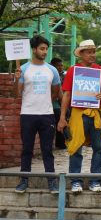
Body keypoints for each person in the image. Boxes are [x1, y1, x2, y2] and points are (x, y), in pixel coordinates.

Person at [57, 40, 101, 193]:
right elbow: (66, 94)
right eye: (89, 52)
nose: (93, 55)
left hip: (96, 114)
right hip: (78, 114)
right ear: (82, 54)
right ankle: (75, 181)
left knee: (99, 148)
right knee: (76, 147)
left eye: (94, 51)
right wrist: (62, 117)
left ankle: (95, 181)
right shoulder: (73, 70)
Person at [13, 35, 61, 193]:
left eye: (46, 49)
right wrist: (17, 79)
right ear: (34, 50)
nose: (44, 52)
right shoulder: (24, 69)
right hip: (27, 114)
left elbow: (56, 92)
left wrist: (46, 102)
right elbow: (16, 94)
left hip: (47, 114)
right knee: (27, 149)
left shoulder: (52, 70)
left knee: (47, 150)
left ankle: (52, 182)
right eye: (42, 48)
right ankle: (23, 180)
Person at [50, 57, 66, 150]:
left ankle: (61, 143)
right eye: (58, 66)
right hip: (54, 104)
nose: (61, 67)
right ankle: (59, 143)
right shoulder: (51, 75)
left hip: (62, 103)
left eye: (61, 65)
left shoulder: (63, 76)